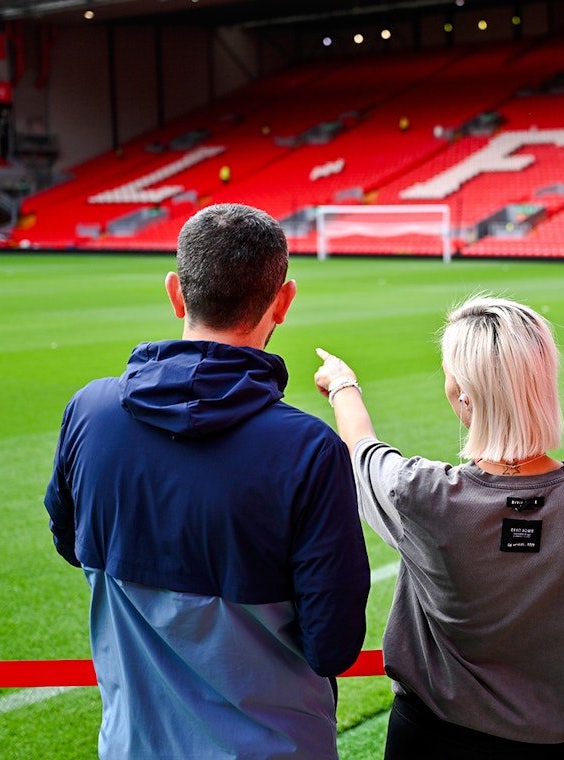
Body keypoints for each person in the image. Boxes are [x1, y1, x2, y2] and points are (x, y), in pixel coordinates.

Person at [44, 203, 371, 760]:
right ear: (283, 301)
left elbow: (71, 545)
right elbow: (333, 645)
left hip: (131, 744)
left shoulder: (88, 412)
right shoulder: (308, 450)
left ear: (175, 292)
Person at [314, 295, 564, 760]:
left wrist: (344, 385)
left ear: (464, 392)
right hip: (552, 748)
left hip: (429, 741)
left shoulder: (422, 493)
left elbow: (363, 452)